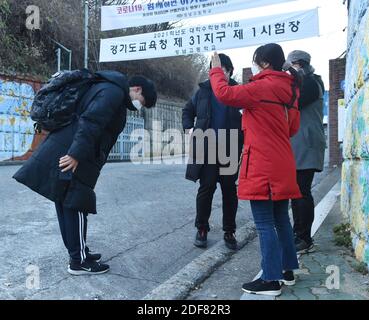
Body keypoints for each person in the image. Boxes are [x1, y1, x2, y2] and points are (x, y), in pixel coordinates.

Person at [14, 71, 157, 275]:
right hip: (76, 152)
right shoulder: (114, 92)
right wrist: (75, 154)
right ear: (137, 89)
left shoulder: (105, 86)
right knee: (76, 202)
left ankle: (79, 252)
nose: (139, 106)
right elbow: (92, 121)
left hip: (69, 145)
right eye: (142, 101)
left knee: (64, 201)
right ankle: (78, 261)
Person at [209, 44, 302, 296]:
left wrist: (216, 71)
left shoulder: (261, 86)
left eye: (256, 60)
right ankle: (286, 271)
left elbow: (224, 94)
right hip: (283, 161)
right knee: (281, 218)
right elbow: (292, 128)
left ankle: (271, 280)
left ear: (264, 63)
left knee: (263, 223)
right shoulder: (291, 89)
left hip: (263, 163)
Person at [182, 53, 243, 250]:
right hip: (207, 148)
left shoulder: (239, 91)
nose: (219, 72)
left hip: (231, 148)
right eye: (215, 69)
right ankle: (202, 228)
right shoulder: (203, 91)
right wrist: (188, 128)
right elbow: (187, 110)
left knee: (229, 191)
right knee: (206, 189)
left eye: (224, 69)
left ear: (230, 71)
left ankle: (229, 231)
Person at [286, 50, 326, 254]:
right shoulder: (304, 81)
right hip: (299, 145)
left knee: (302, 191)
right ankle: (298, 234)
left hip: (307, 144)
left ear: (298, 64)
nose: (289, 72)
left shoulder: (311, 83)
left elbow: (293, 102)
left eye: (290, 67)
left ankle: (304, 238)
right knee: (297, 192)